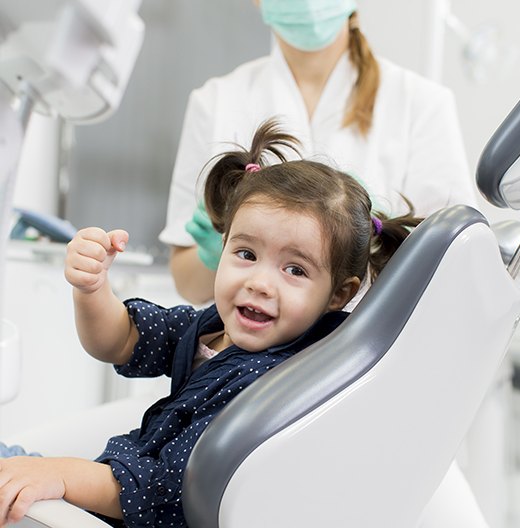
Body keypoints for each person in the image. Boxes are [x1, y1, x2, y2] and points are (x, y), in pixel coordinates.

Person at [0, 120, 422, 527]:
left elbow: (162, 491)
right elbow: (121, 339)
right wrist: (92, 290)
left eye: (295, 270)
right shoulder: (211, 329)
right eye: (246, 254)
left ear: (339, 295)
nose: (259, 282)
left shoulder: (271, 388)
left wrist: (59, 475)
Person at [159, 0, 478, 305]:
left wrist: (374, 239)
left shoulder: (422, 104)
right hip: (248, 348)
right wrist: (221, 251)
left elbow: (456, 260)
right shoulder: (216, 101)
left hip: (369, 351)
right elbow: (187, 284)